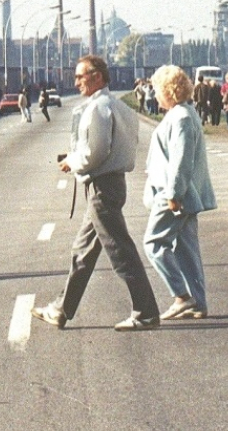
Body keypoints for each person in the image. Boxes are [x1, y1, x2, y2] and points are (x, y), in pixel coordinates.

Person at [32, 55, 161, 332]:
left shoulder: (98, 108)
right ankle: (61, 309)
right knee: (82, 251)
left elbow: (96, 151)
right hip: (109, 183)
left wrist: (73, 162)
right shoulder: (117, 106)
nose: (76, 81)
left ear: (98, 76)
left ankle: (146, 311)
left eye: (81, 76)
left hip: (103, 186)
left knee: (120, 250)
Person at [143, 66, 216, 320]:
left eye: (157, 90)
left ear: (169, 91)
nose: (155, 95)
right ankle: (198, 302)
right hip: (183, 192)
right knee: (186, 250)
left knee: (153, 243)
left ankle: (181, 297)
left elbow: (181, 160)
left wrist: (173, 194)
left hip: (174, 193)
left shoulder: (181, 117)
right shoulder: (183, 114)